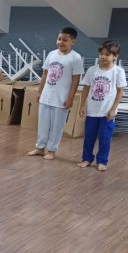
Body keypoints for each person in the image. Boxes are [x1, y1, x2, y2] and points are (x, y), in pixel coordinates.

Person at [27, 27, 84, 160]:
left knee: (56, 126)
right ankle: (40, 148)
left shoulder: (76, 58)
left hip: (61, 98)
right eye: (59, 39)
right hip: (47, 95)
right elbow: (45, 74)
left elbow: (76, 80)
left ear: (73, 42)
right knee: (42, 124)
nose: (60, 42)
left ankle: (52, 150)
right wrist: (40, 92)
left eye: (65, 40)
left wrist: (70, 98)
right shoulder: (52, 54)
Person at [76, 40, 126, 172]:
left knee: (105, 138)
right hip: (92, 111)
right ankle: (86, 158)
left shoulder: (118, 72)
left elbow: (120, 91)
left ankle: (102, 161)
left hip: (107, 113)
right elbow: (85, 89)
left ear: (115, 56)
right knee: (89, 136)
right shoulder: (92, 70)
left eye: (107, 54)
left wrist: (114, 109)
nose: (103, 56)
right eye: (101, 53)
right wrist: (82, 106)